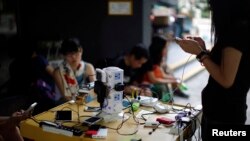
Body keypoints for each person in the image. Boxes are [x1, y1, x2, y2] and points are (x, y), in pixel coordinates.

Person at [175, 0, 250, 140]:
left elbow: (226, 80)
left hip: (225, 117)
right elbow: (229, 65)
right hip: (221, 113)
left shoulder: (238, 31)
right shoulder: (239, 28)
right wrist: (203, 50)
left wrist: (200, 54)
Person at [143, 35, 189, 100]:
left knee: (169, 79)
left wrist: (175, 79)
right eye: (165, 47)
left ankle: (172, 98)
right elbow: (153, 80)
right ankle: (167, 103)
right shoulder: (149, 60)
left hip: (156, 82)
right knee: (163, 86)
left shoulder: (158, 59)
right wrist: (171, 81)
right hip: (149, 85)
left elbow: (163, 75)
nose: (166, 50)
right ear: (159, 48)